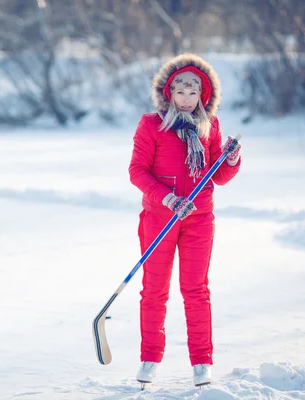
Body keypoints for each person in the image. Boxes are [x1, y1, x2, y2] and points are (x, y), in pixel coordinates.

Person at [128, 53, 242, 387]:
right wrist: (168, 198)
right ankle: (150, 358)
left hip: (199, 219)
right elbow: (137, 171)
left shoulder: (210, 125)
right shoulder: (151, 124)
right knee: (154, 291)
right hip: (159, 218)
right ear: (169, 92)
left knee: (195, 290)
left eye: (194, 93)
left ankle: (202, 362)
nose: (187, 99)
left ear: (204, 94)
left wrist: (231, 159)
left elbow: (217, 177)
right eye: (181, 92)